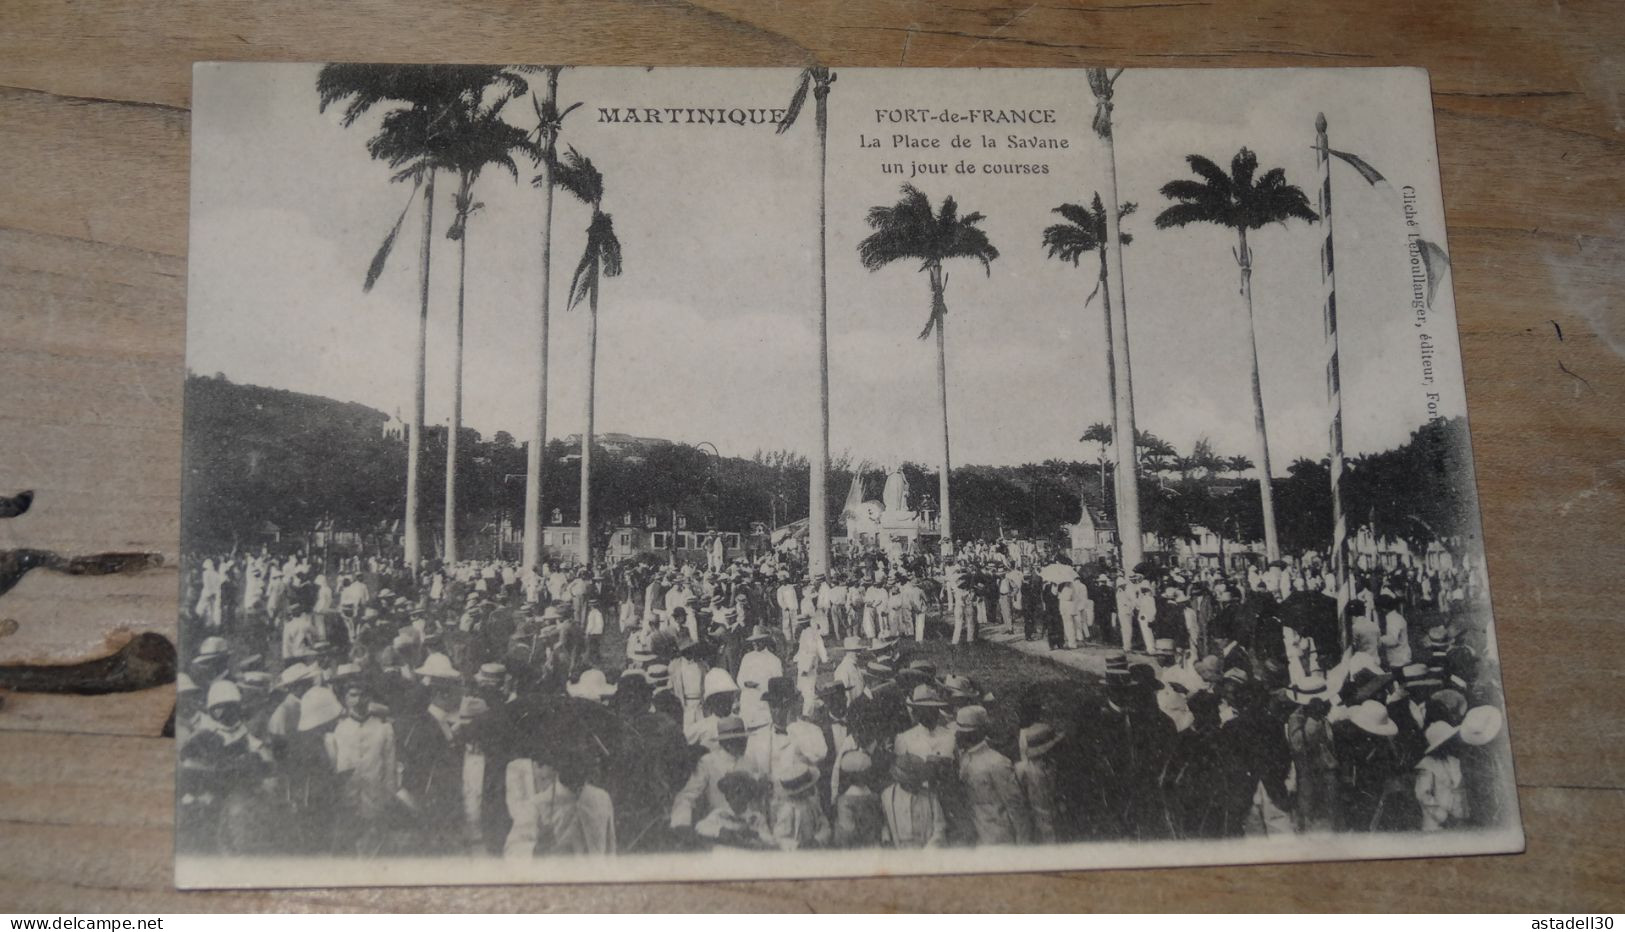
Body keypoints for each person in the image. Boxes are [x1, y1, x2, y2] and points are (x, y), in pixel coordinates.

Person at [952, 705, 1032, 845]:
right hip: (974, 840)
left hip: (999, 840)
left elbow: (1016, 806)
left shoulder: (997, 762)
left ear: (977, 733)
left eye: (965, 732)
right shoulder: (962, 758)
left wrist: (1023, 845)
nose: (957, 735)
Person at [670, 715, 752, 834]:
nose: (743, 743)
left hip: (747, 825)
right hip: (716, 826)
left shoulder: (750, 762)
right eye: (737, 740)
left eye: (743, 739)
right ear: (725, 742)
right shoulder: (708, 763)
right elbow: (687, 796)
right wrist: (682, 824)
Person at [880, 753, 946, 848]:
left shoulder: (930, 797)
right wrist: (886, 840)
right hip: (899, 850)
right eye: (909, 782)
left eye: (916, 781)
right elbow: (885, 823)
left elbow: (939, 828)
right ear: (901, 780)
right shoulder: (887, 796)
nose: (913, 785)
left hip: (925, 850)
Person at [694, 771, 773, 848]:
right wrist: (721, 831)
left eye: (739, 792)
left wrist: (755, 834)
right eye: (729, 793)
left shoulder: (756, 818)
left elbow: (770, 839)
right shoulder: (720, 814)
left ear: (749, 795)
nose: (734, 796)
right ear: (727, 797)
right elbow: (700, 827)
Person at [1015, 723, 1065, 843]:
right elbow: (1019, 800)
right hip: (1036, 824)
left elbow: (1056, 791)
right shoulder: (1023, 769)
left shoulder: (1053, 765)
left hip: (1056, 819)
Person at [769, 763, 830, 850]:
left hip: (814, 848)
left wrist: (817, 840)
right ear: (802, 791)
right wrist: (797, 845)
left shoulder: (812, 805)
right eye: (811, 786)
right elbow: (779, 837)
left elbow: (824, 825)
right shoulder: (789, 809)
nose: (814, 788)